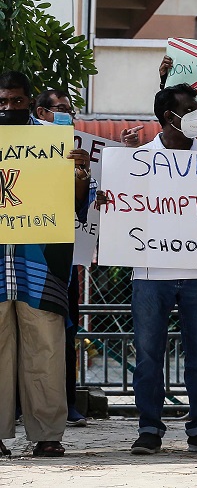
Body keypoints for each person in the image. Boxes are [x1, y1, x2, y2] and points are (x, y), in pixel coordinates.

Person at [105, 83, 197, 455]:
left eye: (196, 107)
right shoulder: (138, 160)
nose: (196, 115)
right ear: (168, 117)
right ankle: (149, 429)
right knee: (149, 355)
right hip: (151, 274)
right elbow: (118, 206)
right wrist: (110, 196)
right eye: (189, 109)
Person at [0, 72, 94, 457]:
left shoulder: (54, 140)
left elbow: (74, 202)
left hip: (41, 265)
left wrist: (80, 171)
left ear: (29, 102)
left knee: (47, 349)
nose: (8, 109)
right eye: (2, 103)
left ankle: (48, 435)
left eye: (16, 102)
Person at [34, 89, 88, 428]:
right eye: (62, 109)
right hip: (18, 257)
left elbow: (81, 205)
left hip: (58, 263)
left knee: (62, 335)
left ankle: (65, 403)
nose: (68, 115)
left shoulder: (72, 154)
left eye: (70, 110)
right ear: (42, 113)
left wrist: (81, 172)